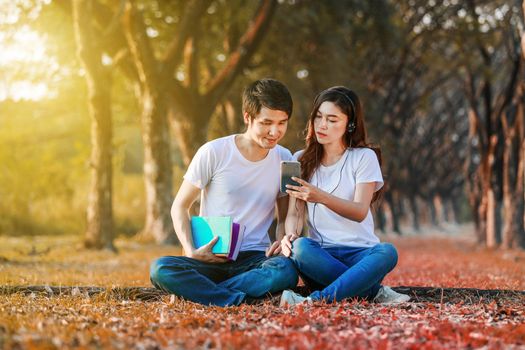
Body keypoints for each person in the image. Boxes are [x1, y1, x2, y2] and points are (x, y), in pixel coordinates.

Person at [150, 78, 298, 306]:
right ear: (247, 117)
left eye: (282, 123)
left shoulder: (285, 159)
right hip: (212, 255)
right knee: (161, 268)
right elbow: (180, 206)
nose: (274, 131)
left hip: (255, 258)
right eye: (266, 122)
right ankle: (240, 298)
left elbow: (284, 216)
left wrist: (281, 241)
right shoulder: (214, 152)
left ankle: (208, 294)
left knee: (285, 271)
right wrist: (191, 251)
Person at [279, 86, 410, 306]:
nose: (322, 125)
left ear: (349, 124)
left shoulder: (364, 157)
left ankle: (317, 300)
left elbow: (360, 211)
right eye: (318, 117)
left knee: (388, 251)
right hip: (321, 256)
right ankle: (371, 291)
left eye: (332, 120)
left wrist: (320, 196)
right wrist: (290, 234)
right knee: (300, 247)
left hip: (361, 254)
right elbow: (294, 213)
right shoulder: (299, 159)